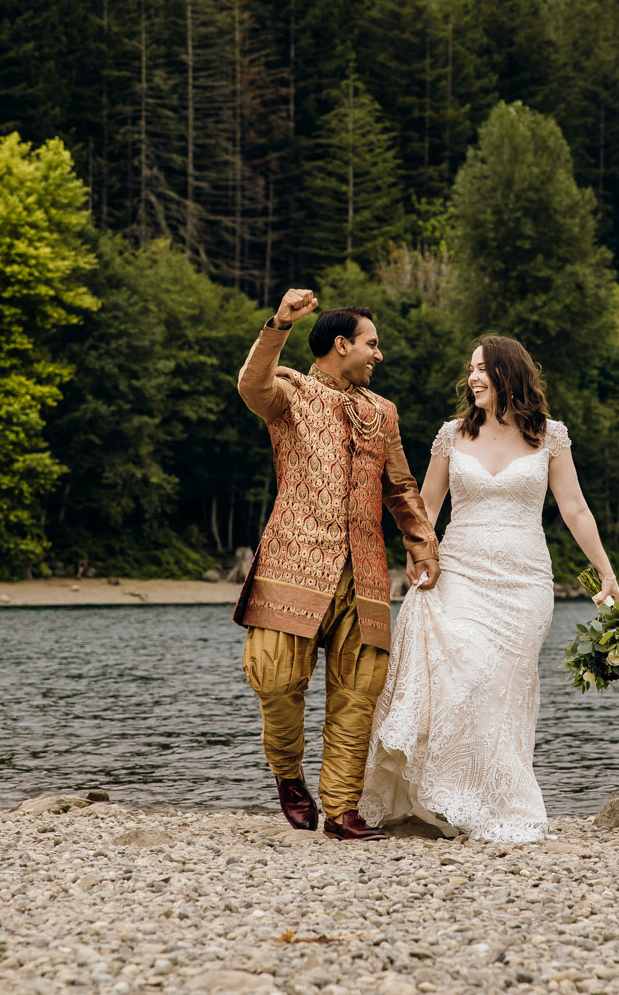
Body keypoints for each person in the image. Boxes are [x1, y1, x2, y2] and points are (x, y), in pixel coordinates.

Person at [360, 335, 619, 842]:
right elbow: (427, 507)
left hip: (524, 585)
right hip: (459, 573)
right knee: (463, 677)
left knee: (501, 690)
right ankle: (441, 798)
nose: (473, 377)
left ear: (509, 374)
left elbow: (575, 510)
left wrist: (605, 572)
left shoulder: (550, 437)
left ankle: (494, 800)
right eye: (471, 369)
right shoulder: (451, 435)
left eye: (483, 369)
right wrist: (420, 558)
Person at [234, 288, 439, 841]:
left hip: (365, 570)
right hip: (294, 561)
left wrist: (422, 546)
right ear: (342, 344)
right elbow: (251, 385)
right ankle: (288, 776)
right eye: (372, 344)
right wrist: (279, 323)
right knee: (275, 678)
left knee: (359, 692)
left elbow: (400, 486)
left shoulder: (383, 412)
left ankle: (342, 810)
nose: (379, 354)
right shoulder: (291, 394)